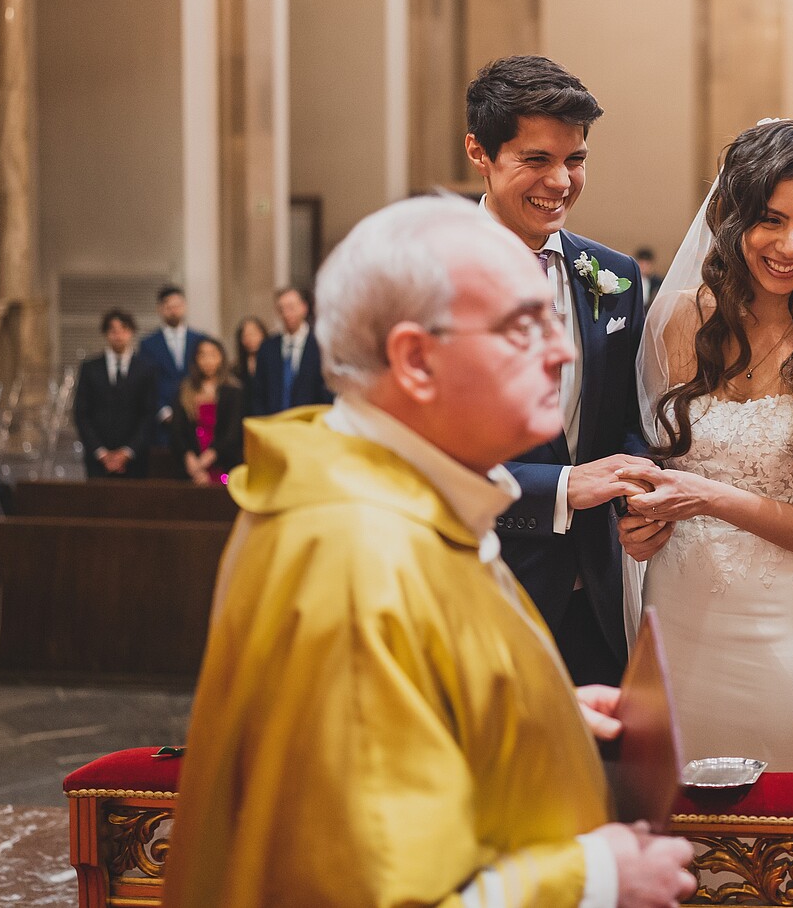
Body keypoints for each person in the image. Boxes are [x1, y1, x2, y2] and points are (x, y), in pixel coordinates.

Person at [162, 196, 698, 908]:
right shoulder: (355, 558)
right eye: (522, 326)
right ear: (414, 360)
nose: (563, 349)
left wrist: (525, 711)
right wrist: (597, 878)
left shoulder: (392, 492)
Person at [618, 119, 793, 774]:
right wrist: (638, 521)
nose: (790, 244)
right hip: (681, 625)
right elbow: (652, 464)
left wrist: (713, 499)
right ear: (731, 216)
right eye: (770, 220)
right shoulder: (678, 322)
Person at [465, 55, 648, 687]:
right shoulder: (429, 280)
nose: (562, 181)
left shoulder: (616, 277)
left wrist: (636, 488)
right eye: (536, 160)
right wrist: (566, 487)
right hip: (475, 588)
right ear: (479, 153)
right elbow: (420, 459)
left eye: (576, 160)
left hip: (596, 595)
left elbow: (626, 417)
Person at [74, 310, 159, 479]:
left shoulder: (146, 369)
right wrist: (101, 452)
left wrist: (127, 452)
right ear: (106, 334)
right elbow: (81, 413)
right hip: (98, 457)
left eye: (124, 329)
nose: (118, 335)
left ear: (131, 332)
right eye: (113, 330)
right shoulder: (90, 368)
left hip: (135, 457)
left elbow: (149, 414)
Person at [138, 285, 208, 473]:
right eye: (168, 306)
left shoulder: (199, 339)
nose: (173, 310)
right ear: (160, 309)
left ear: (184, 306)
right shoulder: (148, 344)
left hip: (195, 418)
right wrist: (163, 411)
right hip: (163, 423)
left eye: (177, 305)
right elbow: (147, 383)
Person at [169, 337, 246, 485]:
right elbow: (177, 431)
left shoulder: (233, 390)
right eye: (202, 355)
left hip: (224, 465)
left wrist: (207, 459)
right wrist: (190, 460)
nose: (207, 360)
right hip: (191, 466)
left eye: (213, 355)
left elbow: (233, 434)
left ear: (221, 358)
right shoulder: (184, 390)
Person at [249, 287, 333, 415]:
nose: (287, 314)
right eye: (281, 309)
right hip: (273, 423)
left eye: (291, 307)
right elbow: (259, 393)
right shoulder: (268, 348)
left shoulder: (320, 345)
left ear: (304, 308)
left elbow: (327, 390)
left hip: (309, 422)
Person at [232, 315, 268, 409]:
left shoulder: (273, 364)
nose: (250, 338)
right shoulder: (236, 369)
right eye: (245, 335)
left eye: (253, 333)